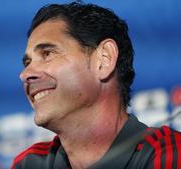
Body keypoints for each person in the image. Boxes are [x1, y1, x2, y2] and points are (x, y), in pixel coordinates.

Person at [11, 1, 181, 169]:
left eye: (47, 53)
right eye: (27, 63)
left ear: (104, 60)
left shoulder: (170, 154)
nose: (25, 74)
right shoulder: (29, 163)